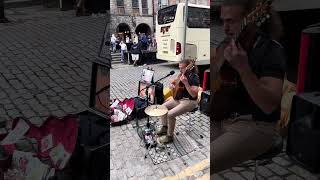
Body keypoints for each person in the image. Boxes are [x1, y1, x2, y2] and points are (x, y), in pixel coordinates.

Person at [210, 0, 286, 174]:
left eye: (231, 21)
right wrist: (219, 61)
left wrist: (243, 68)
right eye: (223, 21)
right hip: (223, 116)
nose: (225, 27)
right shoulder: (227, 45)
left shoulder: (271, 50)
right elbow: (215, 80)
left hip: (256, 125)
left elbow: (269, 105)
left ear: (249, 20)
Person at [156, 59, 200, 143]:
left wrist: (186, 83)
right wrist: (172, 85)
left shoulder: (194, 77)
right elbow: (175, 83)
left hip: (189, 101)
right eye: (179, 67)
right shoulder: (181, 74)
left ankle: (169, 136)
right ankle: (165, 127)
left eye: (182, 68)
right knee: (162, 107)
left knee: (170, 114)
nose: (180, 70)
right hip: (178, 98)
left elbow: (194, 95)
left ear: (188, 67)